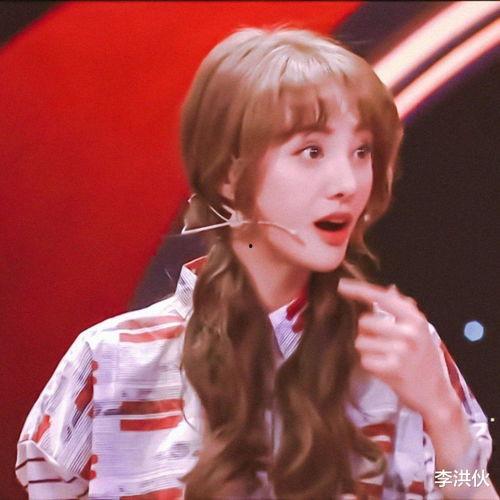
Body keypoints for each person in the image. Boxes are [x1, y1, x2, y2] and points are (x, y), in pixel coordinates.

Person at [16, 27, 495, 499]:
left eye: (361, 151)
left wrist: (444, 417)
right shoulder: (111, 358)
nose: (348, 183)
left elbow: (468, 488)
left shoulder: (400, 348)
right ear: (229, 173)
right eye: (312, 151)